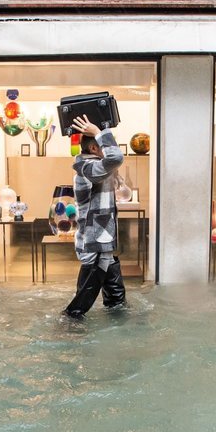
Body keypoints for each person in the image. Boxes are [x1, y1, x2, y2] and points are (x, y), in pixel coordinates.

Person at [63, 114, 127, 318]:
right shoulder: (88, 169)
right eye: (101, 144)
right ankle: (67, 327)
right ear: (93, 148)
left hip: (102, 242)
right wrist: (99, 133)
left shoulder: (97, 169)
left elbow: (114, 165)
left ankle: (120, 327)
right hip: (95, 244)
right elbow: (116, 157)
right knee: (78, 308)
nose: (107, 147)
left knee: (117, 301)